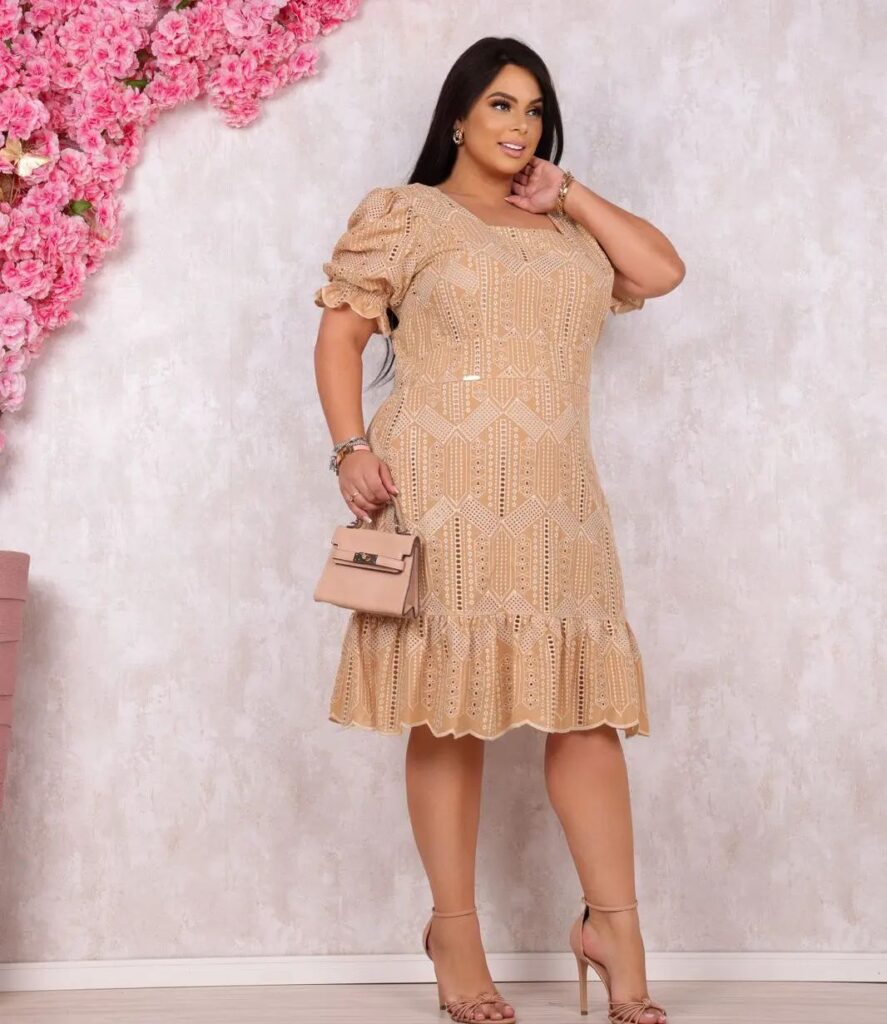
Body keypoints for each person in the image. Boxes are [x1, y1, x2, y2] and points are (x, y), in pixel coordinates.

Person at [312, 35, 684, 1024]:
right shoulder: (405, 215)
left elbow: (661, 269)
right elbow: (340, 335)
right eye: (500, 105)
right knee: (446, 712)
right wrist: (348, 448)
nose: (519, 125)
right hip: (439, 492)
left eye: (533, 109)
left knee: (585, 711)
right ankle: (453, 935)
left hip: (559, 503)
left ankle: (613, 931)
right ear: (457, 117)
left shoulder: (565, 227)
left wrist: (572, 193)